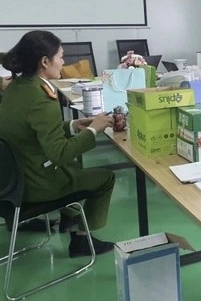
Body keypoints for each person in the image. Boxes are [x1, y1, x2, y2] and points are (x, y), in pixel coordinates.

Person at [0, 30, 116, 257]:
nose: (64, 62)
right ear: (45, 61)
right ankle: (81, 241)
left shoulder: (16, 87)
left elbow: (31, 130)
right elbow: (60, 154)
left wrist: (73, 126)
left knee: (74, 167)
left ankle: (69, 219)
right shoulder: (42, 97)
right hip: (34, 186)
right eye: (61, 57)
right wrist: (94, 130)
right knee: (105, 178)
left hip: (9, 182)